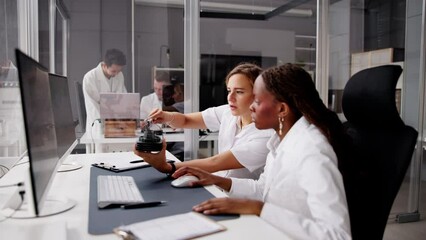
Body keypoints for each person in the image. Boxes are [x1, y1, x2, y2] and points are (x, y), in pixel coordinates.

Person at [172, 63, 352, 239]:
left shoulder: (312, 151)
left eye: (257, 101)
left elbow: (338, 235)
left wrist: (260, 209)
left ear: (281, 109)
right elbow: (263, 190)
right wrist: (217, 180)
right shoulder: (280, 141)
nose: (251, 107)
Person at [134, 63, 274, 180]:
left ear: (258, 95)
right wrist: (167, 116)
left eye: (239, 92)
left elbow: (215, 163)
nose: (230, 98)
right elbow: (186, 120)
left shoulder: (265, 135)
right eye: (229, 90)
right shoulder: (228, 112)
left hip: (241, 200)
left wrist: (166, 167)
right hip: (218, 186)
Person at [82, 49, 127, 133]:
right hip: (98, 126)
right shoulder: (90, 78)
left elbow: (123, 98)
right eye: (114, 71)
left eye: (119, 71)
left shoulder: (119, 75)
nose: (117, 74)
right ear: (105, 65)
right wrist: (108, 123)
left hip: (117, 124)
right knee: (100, 143)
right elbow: (93, 108)